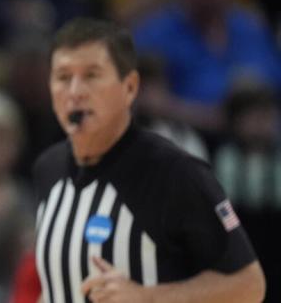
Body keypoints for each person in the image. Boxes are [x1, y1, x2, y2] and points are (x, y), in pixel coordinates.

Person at [33, 18, 265, 303]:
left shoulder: (175, 173)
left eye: (92, 75)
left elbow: (249, 285)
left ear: (130, 86)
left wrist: (148, 297)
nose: (75, 91)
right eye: (63, 77)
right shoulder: (48, 169)